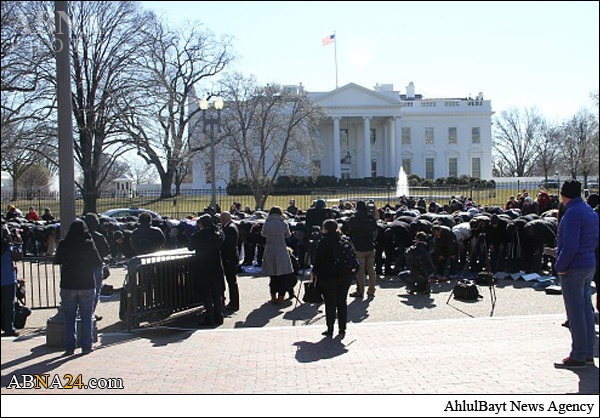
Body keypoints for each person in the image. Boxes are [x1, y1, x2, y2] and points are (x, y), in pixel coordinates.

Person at [553, 179, 599, 369]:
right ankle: (587, 352)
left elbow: (570, 245)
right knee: (587, 310)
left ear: (564, 195)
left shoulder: (571, 214)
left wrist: (560, 265)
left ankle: (578, 354)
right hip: (588, 263)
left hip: (574, 266)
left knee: (576, 313)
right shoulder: (589, 211)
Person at [53, 219, 102, 355]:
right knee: (86, 316)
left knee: (69, 317)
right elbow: (98, 262)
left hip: (68, 283)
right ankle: (86, 345)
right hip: (86, 283)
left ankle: (70, 347)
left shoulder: (64, 244)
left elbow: (57, 260)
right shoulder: (88, 244)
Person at [312, 219, 352, 337]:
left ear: (326, 229)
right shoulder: (345, 239)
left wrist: (315, 273)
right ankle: (342, 328)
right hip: (345, 274)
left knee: (330, 302)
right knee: (342, 301)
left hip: (328, 276)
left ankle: (330, 328)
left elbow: (318, 260)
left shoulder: (324, 242)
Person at [187, 214, 225, 327]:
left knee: (206, 292)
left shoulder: (198, 235)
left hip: (203, 266)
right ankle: (219, 315)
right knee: (216, 291)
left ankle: (209, 316)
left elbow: (190, 247)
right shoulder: (218, 234)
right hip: (216, 265)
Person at [261, 206, 294, 305]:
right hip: (281, 249)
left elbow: (263, 234)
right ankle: (281, 298)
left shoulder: (267, 223)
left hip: (270, 249)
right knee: (282, 275)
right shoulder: (283, 223)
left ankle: (273, 297)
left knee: (273, 276)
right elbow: (288, 235)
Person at [347, 200, 378, 298]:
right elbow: (374, 229)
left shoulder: (354, 218)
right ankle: (371, 290)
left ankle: (360, 291)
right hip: (369, 245)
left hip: (358, 246)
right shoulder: (370, 217)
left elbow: (348, 230)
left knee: (360, 270)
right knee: (371, 269)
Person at [84, 213, 110, 321]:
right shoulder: (99, 236)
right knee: (95, 290)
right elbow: (107, 250)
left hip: (83, 266)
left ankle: (82, 312)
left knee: (83, 290)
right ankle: (90, 312)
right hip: (97, 265)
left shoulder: (83, 236)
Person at [220, 211, 240, 312]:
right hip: (231, 257)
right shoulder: (232, 226)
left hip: (229, 258)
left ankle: (234, 303)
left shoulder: (230, 229)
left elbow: (229, 245)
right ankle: (233, 302)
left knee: (231, 281)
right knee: (231, 281)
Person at [1, 225, 19, 336]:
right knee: (9, 305)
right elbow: (19, 254)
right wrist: (17, 238)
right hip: (8, 279)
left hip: (7, 278)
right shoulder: (9, 248)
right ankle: (9, 327)